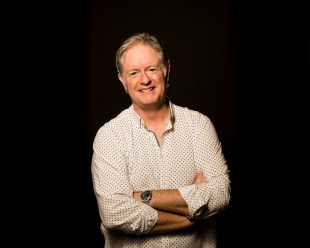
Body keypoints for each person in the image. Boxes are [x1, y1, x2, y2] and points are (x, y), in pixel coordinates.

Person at [91, 32, 231, 248]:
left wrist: (142, 197)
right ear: (122, 80)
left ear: (167, 70)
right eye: (134, 72)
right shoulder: (109, 136)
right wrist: (190, 216)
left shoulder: (199, 125)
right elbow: (114, 213)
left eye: (151, 69)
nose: (144, 79)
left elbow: (220, 194)